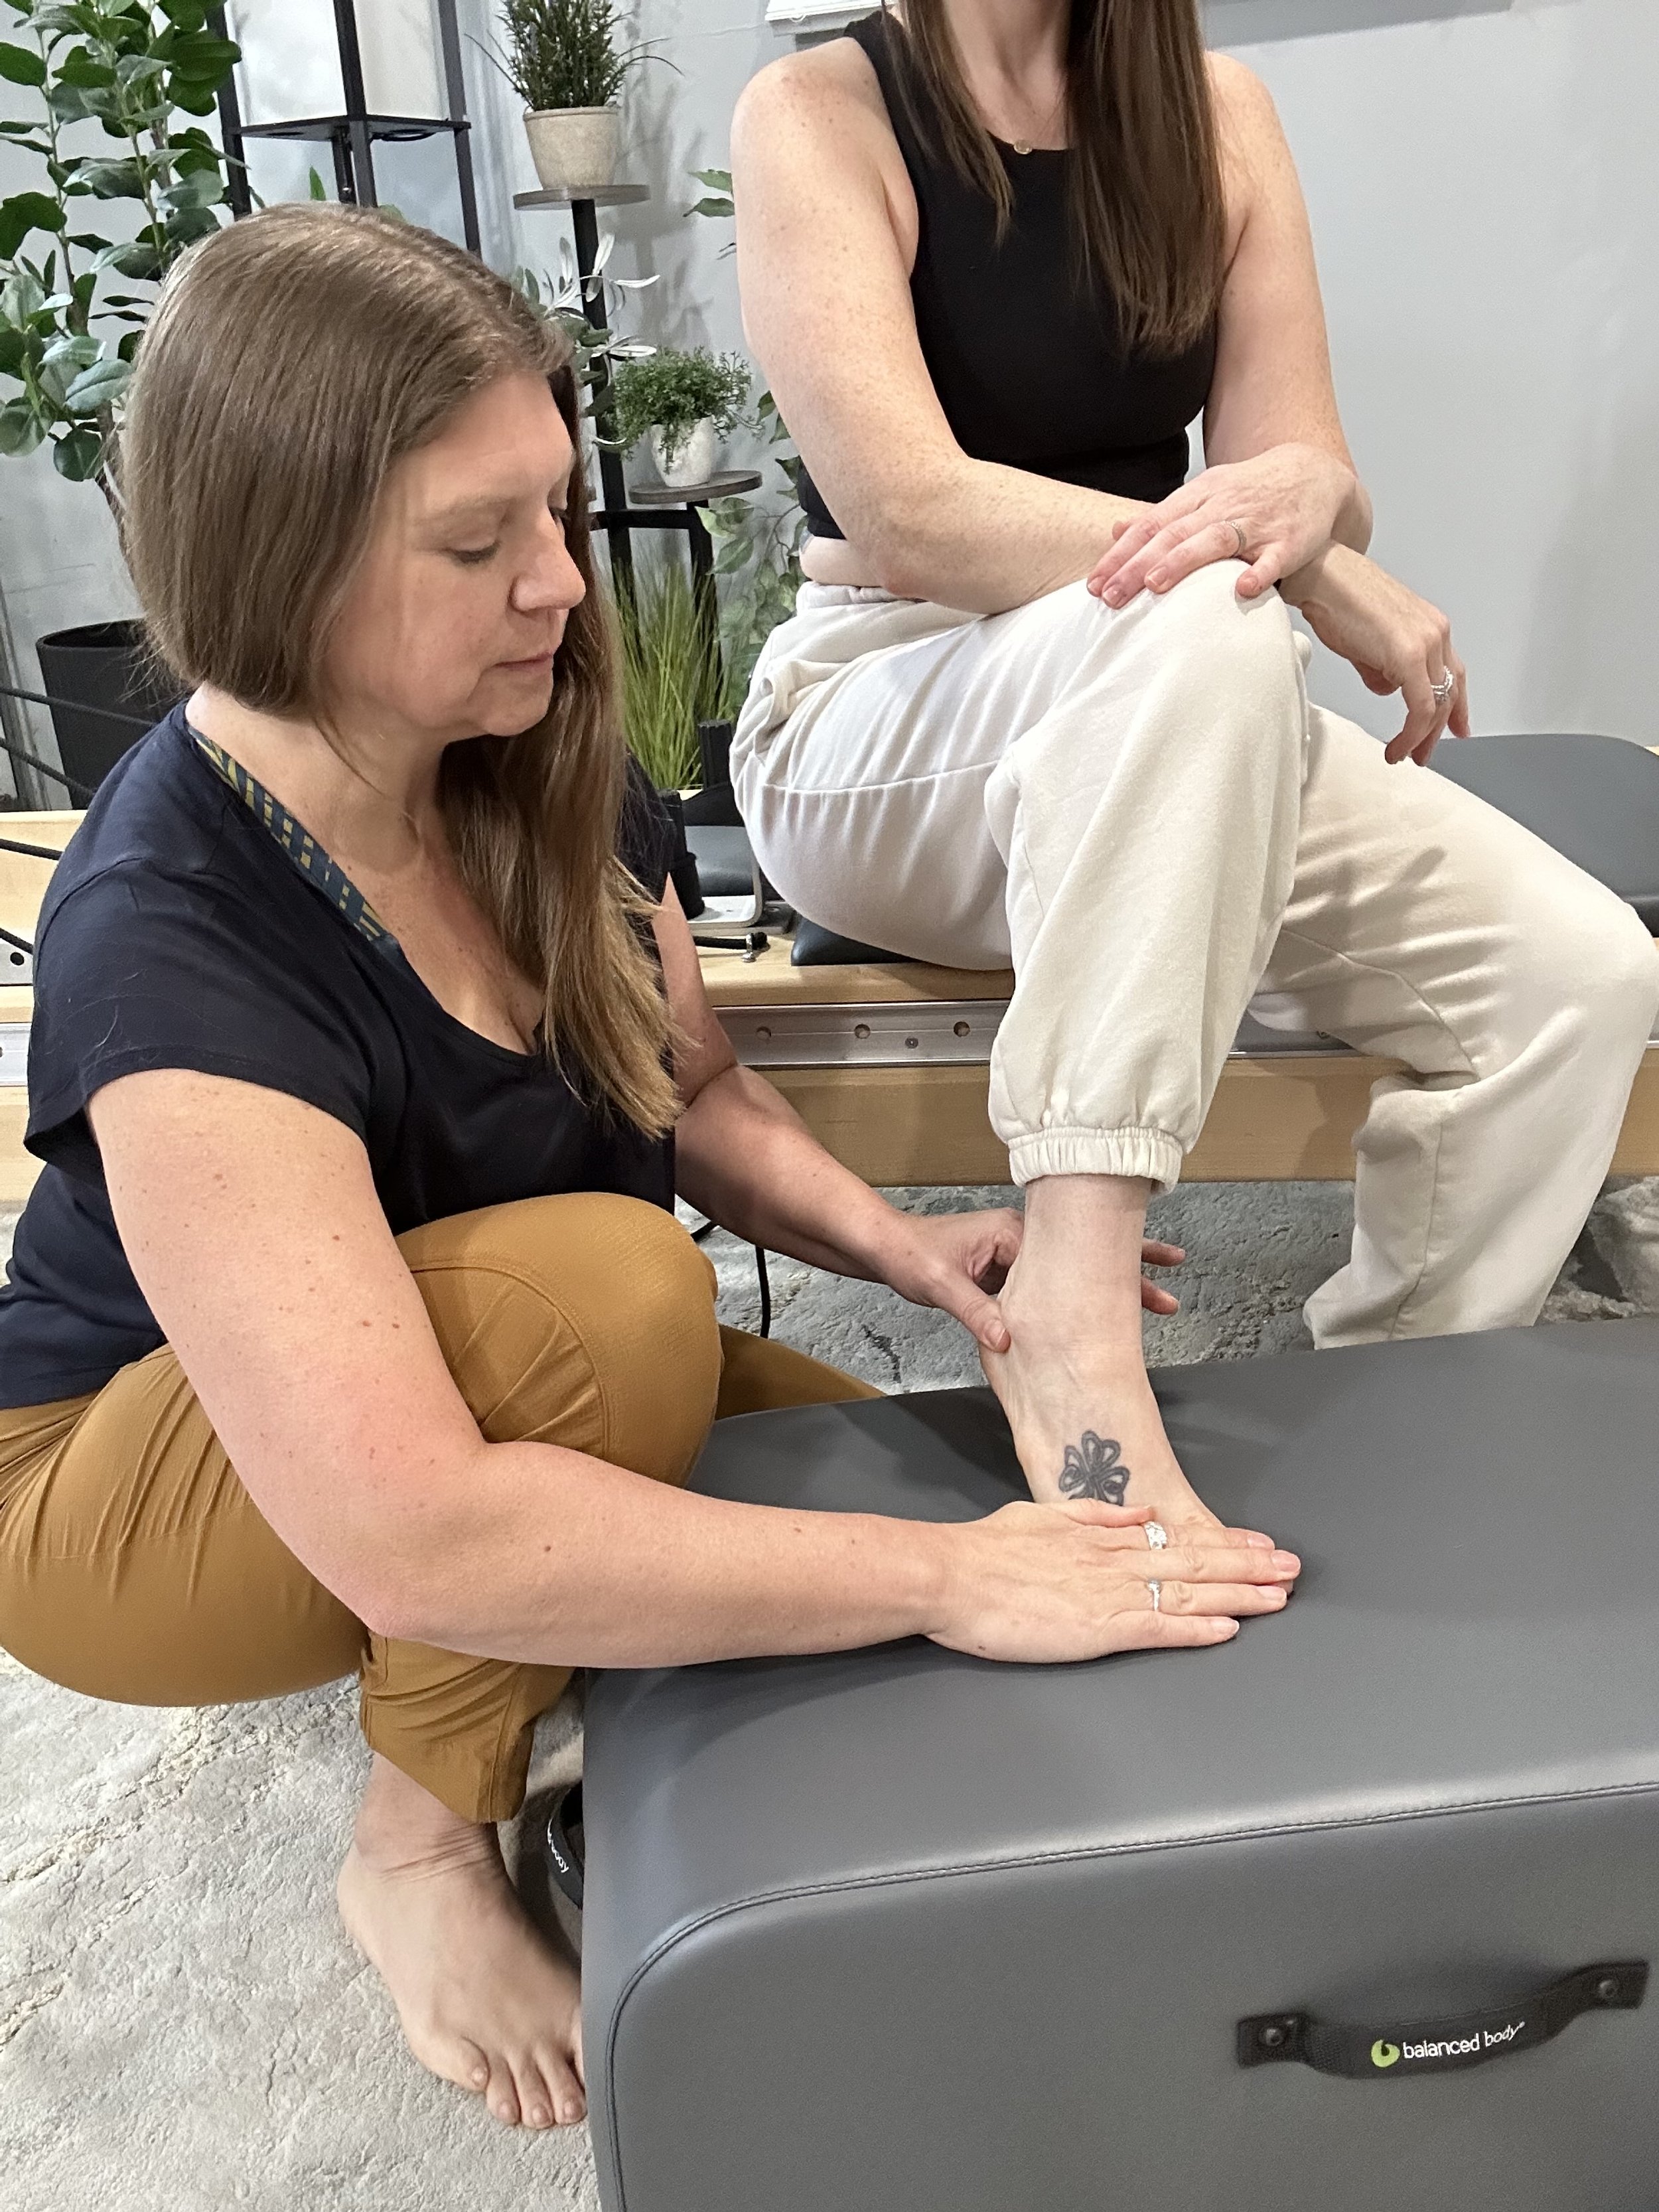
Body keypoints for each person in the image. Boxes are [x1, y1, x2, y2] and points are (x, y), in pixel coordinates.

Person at [0, 206, 1301, 2135]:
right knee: (637, 1317)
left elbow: (683, 1086)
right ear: (276, 558)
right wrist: (944, 1582)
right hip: (127, 1491)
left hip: (486, 1348)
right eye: (475, 542)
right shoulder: (171, 928)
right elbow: (412, 1532)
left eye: (554, 509)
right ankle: (417, 1847)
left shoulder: (533, 750)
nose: (556, 583)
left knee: (872, 1460)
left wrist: (914, 1252)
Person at [727, 0, 1659, 1534]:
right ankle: (1071, 1313)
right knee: (1207, 624)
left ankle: (1390, 1398)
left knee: (1570, 981)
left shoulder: (1212, 114)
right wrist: (1268, 551)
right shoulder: (818, 113)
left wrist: (1301, 504)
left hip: (1175, 694)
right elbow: (907, 509)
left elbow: (1297, 475)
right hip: (884, 712)